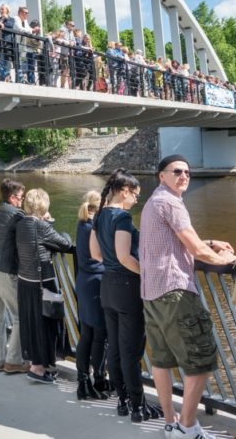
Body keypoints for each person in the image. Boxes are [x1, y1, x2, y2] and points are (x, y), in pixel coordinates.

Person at [139, 154, 236, 439]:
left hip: (152, 293)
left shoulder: (153, 202)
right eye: (177, 171)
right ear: (162, 176)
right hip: (176, 293)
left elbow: (173, 241)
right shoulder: (171, 203)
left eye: (187, 173)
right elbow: (197, 251)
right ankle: (188, 427)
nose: (184, 176)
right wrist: (231, 260)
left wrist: (208, 241)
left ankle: (170, 423)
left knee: (161, 361)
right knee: (200, 359)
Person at [90, 170, 160, 422]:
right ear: (124, 191)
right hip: (127, 288)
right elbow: (124, 256)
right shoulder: (121, 216)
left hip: (107, 286)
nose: (136, 200)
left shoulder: (99, 216)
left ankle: (122, 401)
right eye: (136, 195)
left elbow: (96, 254)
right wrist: (148, 274)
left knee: (116, 348)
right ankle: (139, 407)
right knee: (131, 351)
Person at [16, 188, 72, 383]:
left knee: (31, 324)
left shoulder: (22, 223)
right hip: (43, 284)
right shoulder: (41, 227)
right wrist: (53, 225)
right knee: (46, 324)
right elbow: (65, 243)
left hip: (25, 282)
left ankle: (38, 364)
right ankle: (38, 368)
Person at [0, 178, 27, 373]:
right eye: (21, 197)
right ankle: (13, 360)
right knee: (20, 315)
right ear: (12, 197)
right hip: (4, 269)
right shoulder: (17, 214)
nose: (22, 201)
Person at [74, 190, 108, 401]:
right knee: (100, 335)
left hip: (84, 281)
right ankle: (98, 379)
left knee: (87, 334)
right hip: (96, 283)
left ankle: (83, 381)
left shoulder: (82, 223)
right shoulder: (95, 227)